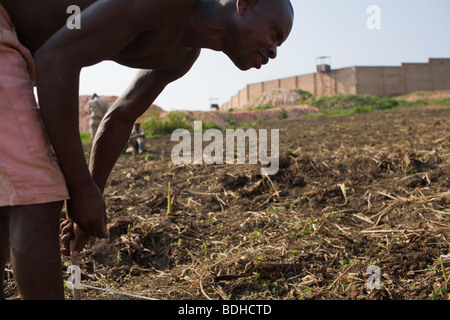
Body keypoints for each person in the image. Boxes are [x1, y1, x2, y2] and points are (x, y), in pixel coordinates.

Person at [0, 0, 293, 299]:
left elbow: (120, 117)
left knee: (9, 201)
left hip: (14, 50)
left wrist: (90, 201)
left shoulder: (181, 56)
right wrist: (80, 188)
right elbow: (55, 60)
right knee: (36, 199)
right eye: (275, 34)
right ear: (246, 4)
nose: (273, 52)